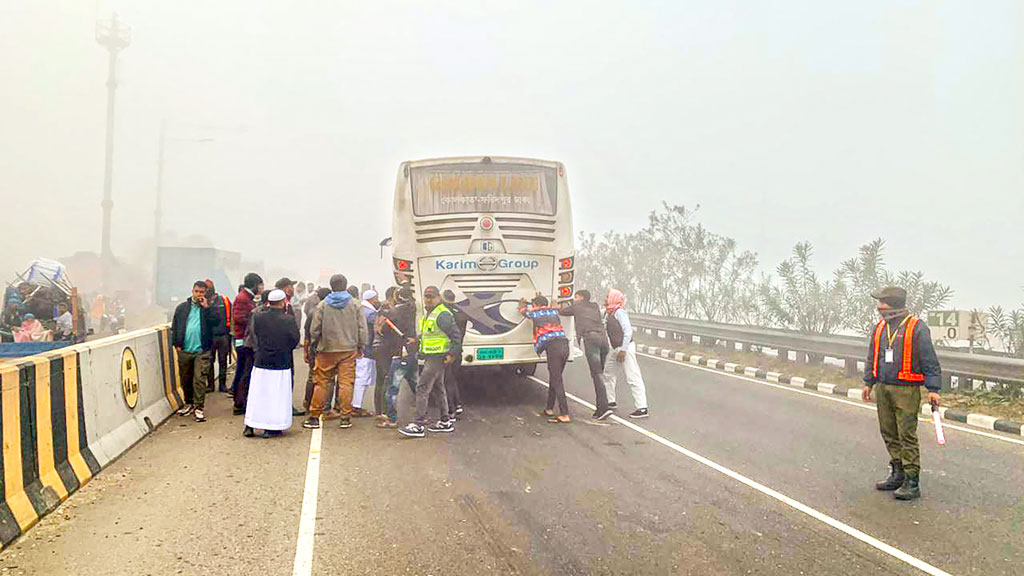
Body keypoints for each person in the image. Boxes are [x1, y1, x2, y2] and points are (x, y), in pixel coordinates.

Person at [862, 286, 941, 501]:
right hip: (883, 387)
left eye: (882, 303)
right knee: (888, 431)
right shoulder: (880, 328)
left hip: (906, 390)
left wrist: (933, 389)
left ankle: (912, 480)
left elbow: (930, 360)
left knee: (906, 434)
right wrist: (868, 382)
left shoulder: (917, 328)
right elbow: (872, 356)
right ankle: (897, 472)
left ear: (893, 304)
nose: (879, 307)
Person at [304, 274, 368, 430]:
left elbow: (314, 329)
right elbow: (362, 328)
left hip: (326, 349)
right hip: (348, 349)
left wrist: (314, 344)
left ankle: (314, 416)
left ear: (331, 286)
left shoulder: (323, 305)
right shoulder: (355, 304)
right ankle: (345, 417)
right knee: (346, 383)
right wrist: (361, 345)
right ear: (345, 286)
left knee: (321, 383)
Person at [399, 286, 461, 438]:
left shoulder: (442, 314)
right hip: (431, 356)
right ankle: (445, 421)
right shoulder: (431, 314)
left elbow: (456, 336)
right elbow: (430, 335)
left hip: (437, 357)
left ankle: (418, 424)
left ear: (438, 298)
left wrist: (452, 354)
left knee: (422, 388)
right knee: (439, 388)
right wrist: (417, 340)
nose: (428, 299)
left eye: (431, 296)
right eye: (426, 296)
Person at [244, 289, 300, 438]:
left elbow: (255, 334)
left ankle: (250, 425)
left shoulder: (259, 317)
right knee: (276, 395)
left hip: (261, 360)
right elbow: (295, 340)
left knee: (258, 394)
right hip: (281, 362)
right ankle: (271, 427)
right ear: (283, 302)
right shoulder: (288, 320)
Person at [560, 289, 612, 420]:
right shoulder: (594, 306)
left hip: (591, 339)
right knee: (599, 373)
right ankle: (600, 409)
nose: (574, 299)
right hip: (604, 341)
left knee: (597, 374)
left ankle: (604, 408)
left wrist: (556, 305)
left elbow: (562, 311)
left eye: (576, 297)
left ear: (581, 297)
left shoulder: (577, 306)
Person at [519, 295, 571, 424]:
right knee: (555, 377)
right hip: (565, 345)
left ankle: (564, 413)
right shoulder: (554, 311)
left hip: (553, 348)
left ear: (536, 305)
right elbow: (555, 305)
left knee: (557, 380)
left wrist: (522, 304)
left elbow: (522, 311)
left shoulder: (536, 312)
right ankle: (549, 408)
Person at [170, 281, 217, 422]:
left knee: (199, 379)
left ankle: (199, 407)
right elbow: (175, 326)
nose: (199, 294)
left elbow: (216, 322)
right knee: (185, 378)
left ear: (205, 293)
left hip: (202, 350)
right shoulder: (182, 308)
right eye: (196, 291)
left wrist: (207, 308)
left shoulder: (208, 309)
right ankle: (189, 403)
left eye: (201, 292)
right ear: (192, 291)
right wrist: (176, 344)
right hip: (185, 349)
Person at [602, 289, 649, 419]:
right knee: (608, 373)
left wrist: (623, 349)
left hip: (625, 348)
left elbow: (628, 331)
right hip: (615, 348)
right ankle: (610, 401)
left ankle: (642, 407)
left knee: (633, 377)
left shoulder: (620, 312)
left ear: (613, 299)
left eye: (607, 297)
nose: (605, 299)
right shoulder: (608, 312)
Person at [377, 286, 417, 429]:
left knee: (392, 388)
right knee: (417, 386)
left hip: (400, 353)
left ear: (397, 297)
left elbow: (383, 331)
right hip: (412, 352)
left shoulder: (394, 313)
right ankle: (422, 415)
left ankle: (392, 418)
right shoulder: (413, 309)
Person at [231, 273, 263, 415]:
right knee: (244, 371)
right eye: (260, 285)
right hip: (243, 340)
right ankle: (239, 403)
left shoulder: (247, 297)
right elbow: (238, 318)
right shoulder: (243, 298)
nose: (261, 288)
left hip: (245, 338)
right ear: (255, 284)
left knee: (243, 371)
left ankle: (240, 400)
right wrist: (254, 319)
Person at [303, 287, 332, 413]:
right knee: (329, 378)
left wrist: (306, 351)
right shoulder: (331, 311)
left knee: (312, 376)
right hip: (328, 348)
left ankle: (308, 402)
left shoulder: (312, 312)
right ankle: (325, 406)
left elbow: (307, 335)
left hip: (314, 348)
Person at [371, 286, 399, 419]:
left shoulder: (381, 308)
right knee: (386, 378)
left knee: (381, 379)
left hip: (378, 347)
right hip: (384, 347)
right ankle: (384, 411)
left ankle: (379, 410)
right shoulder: (390, 309)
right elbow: (386, 330)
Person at [352, 289, 379, 417]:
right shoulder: (370, 313)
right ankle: (356, 407)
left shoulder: (360, 309)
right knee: (362, 379)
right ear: (372, 299)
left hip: (360, 349)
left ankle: (355, 405)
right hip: (366, 350)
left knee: (360, 378)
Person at [442, 289, 469, 419]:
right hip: (458, 351)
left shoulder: (445, 314)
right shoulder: (462, 313)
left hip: (448, 351)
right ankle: (457, 405)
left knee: (447, 380)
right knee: (452, 379)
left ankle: (451, 409)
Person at [203, 280, 233, 393]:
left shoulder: (224, 300)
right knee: (209, 362)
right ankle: (210, 385)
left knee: (222, 361)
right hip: (209, 337)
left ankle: (222, 385)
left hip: (223, 336)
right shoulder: (203, 303)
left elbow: (232, 315)